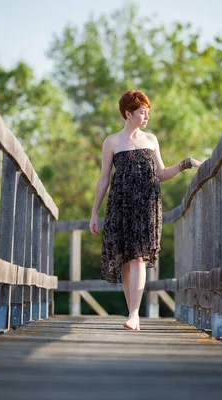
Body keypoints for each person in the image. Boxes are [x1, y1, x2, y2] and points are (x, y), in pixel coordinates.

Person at [89, 89, 202, 331]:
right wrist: (94, 213)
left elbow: (160, 174)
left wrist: (187, 163)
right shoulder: (111, 142)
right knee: (126, 262)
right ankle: (134, 314)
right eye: (142, 112)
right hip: (120, 205)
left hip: (147, 205)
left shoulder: (150, 140)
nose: (147, 117)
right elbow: (103, 179)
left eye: (147, 112)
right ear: (128, 113)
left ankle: (134, 314)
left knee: (138, 257)